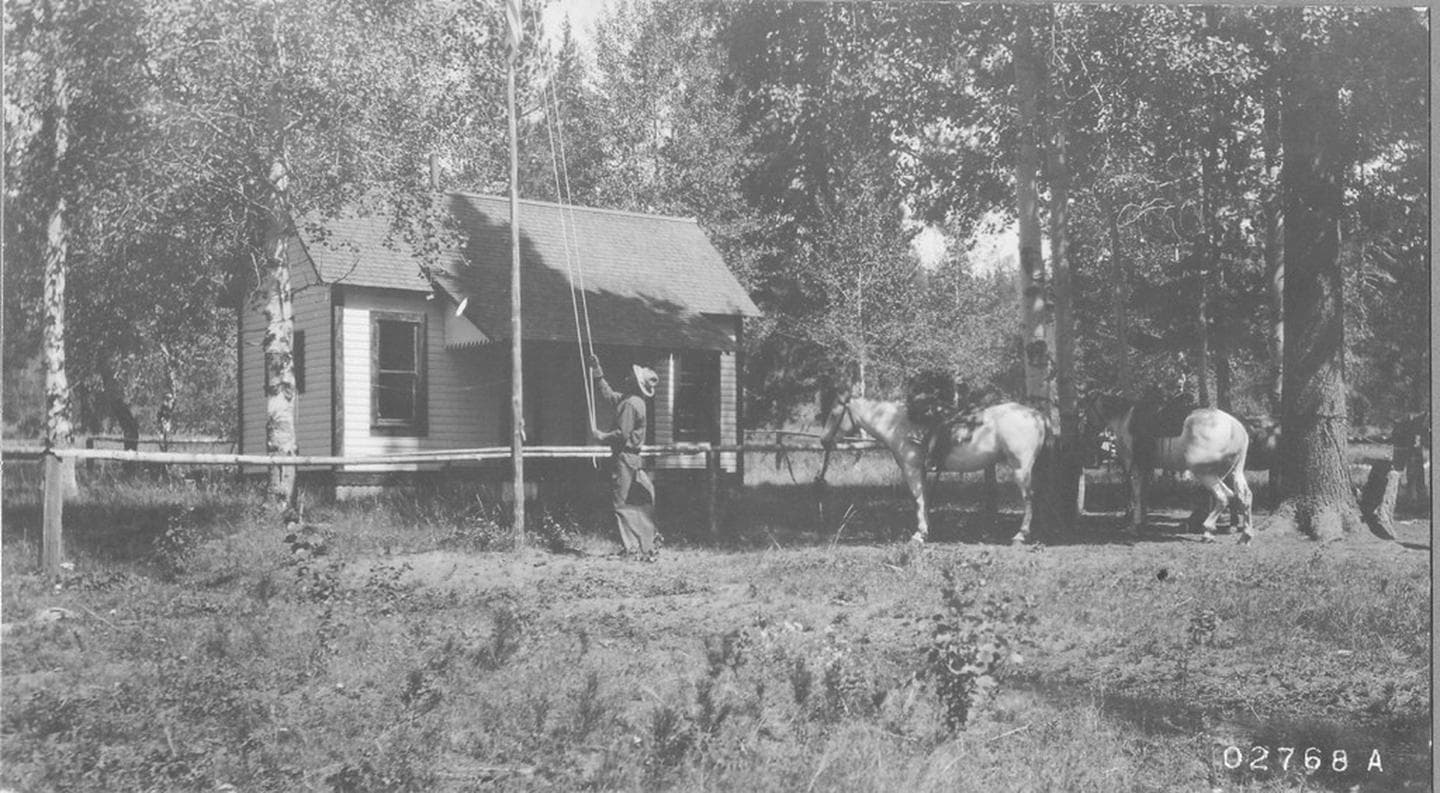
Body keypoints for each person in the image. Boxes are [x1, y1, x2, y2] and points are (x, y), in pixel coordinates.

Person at [589, 354, 661, 561]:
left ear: (636, 383)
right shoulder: (632, 400)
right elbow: (609, 395)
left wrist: (601, 435)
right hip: (633, 459)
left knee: (621, 504)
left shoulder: (631, 404)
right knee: (639, 502)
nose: (629, 376)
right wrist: (597, 371)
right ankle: (647, 548)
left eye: (633, 375)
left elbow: (622, 434)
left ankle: (631, 550)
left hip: (625, 459)